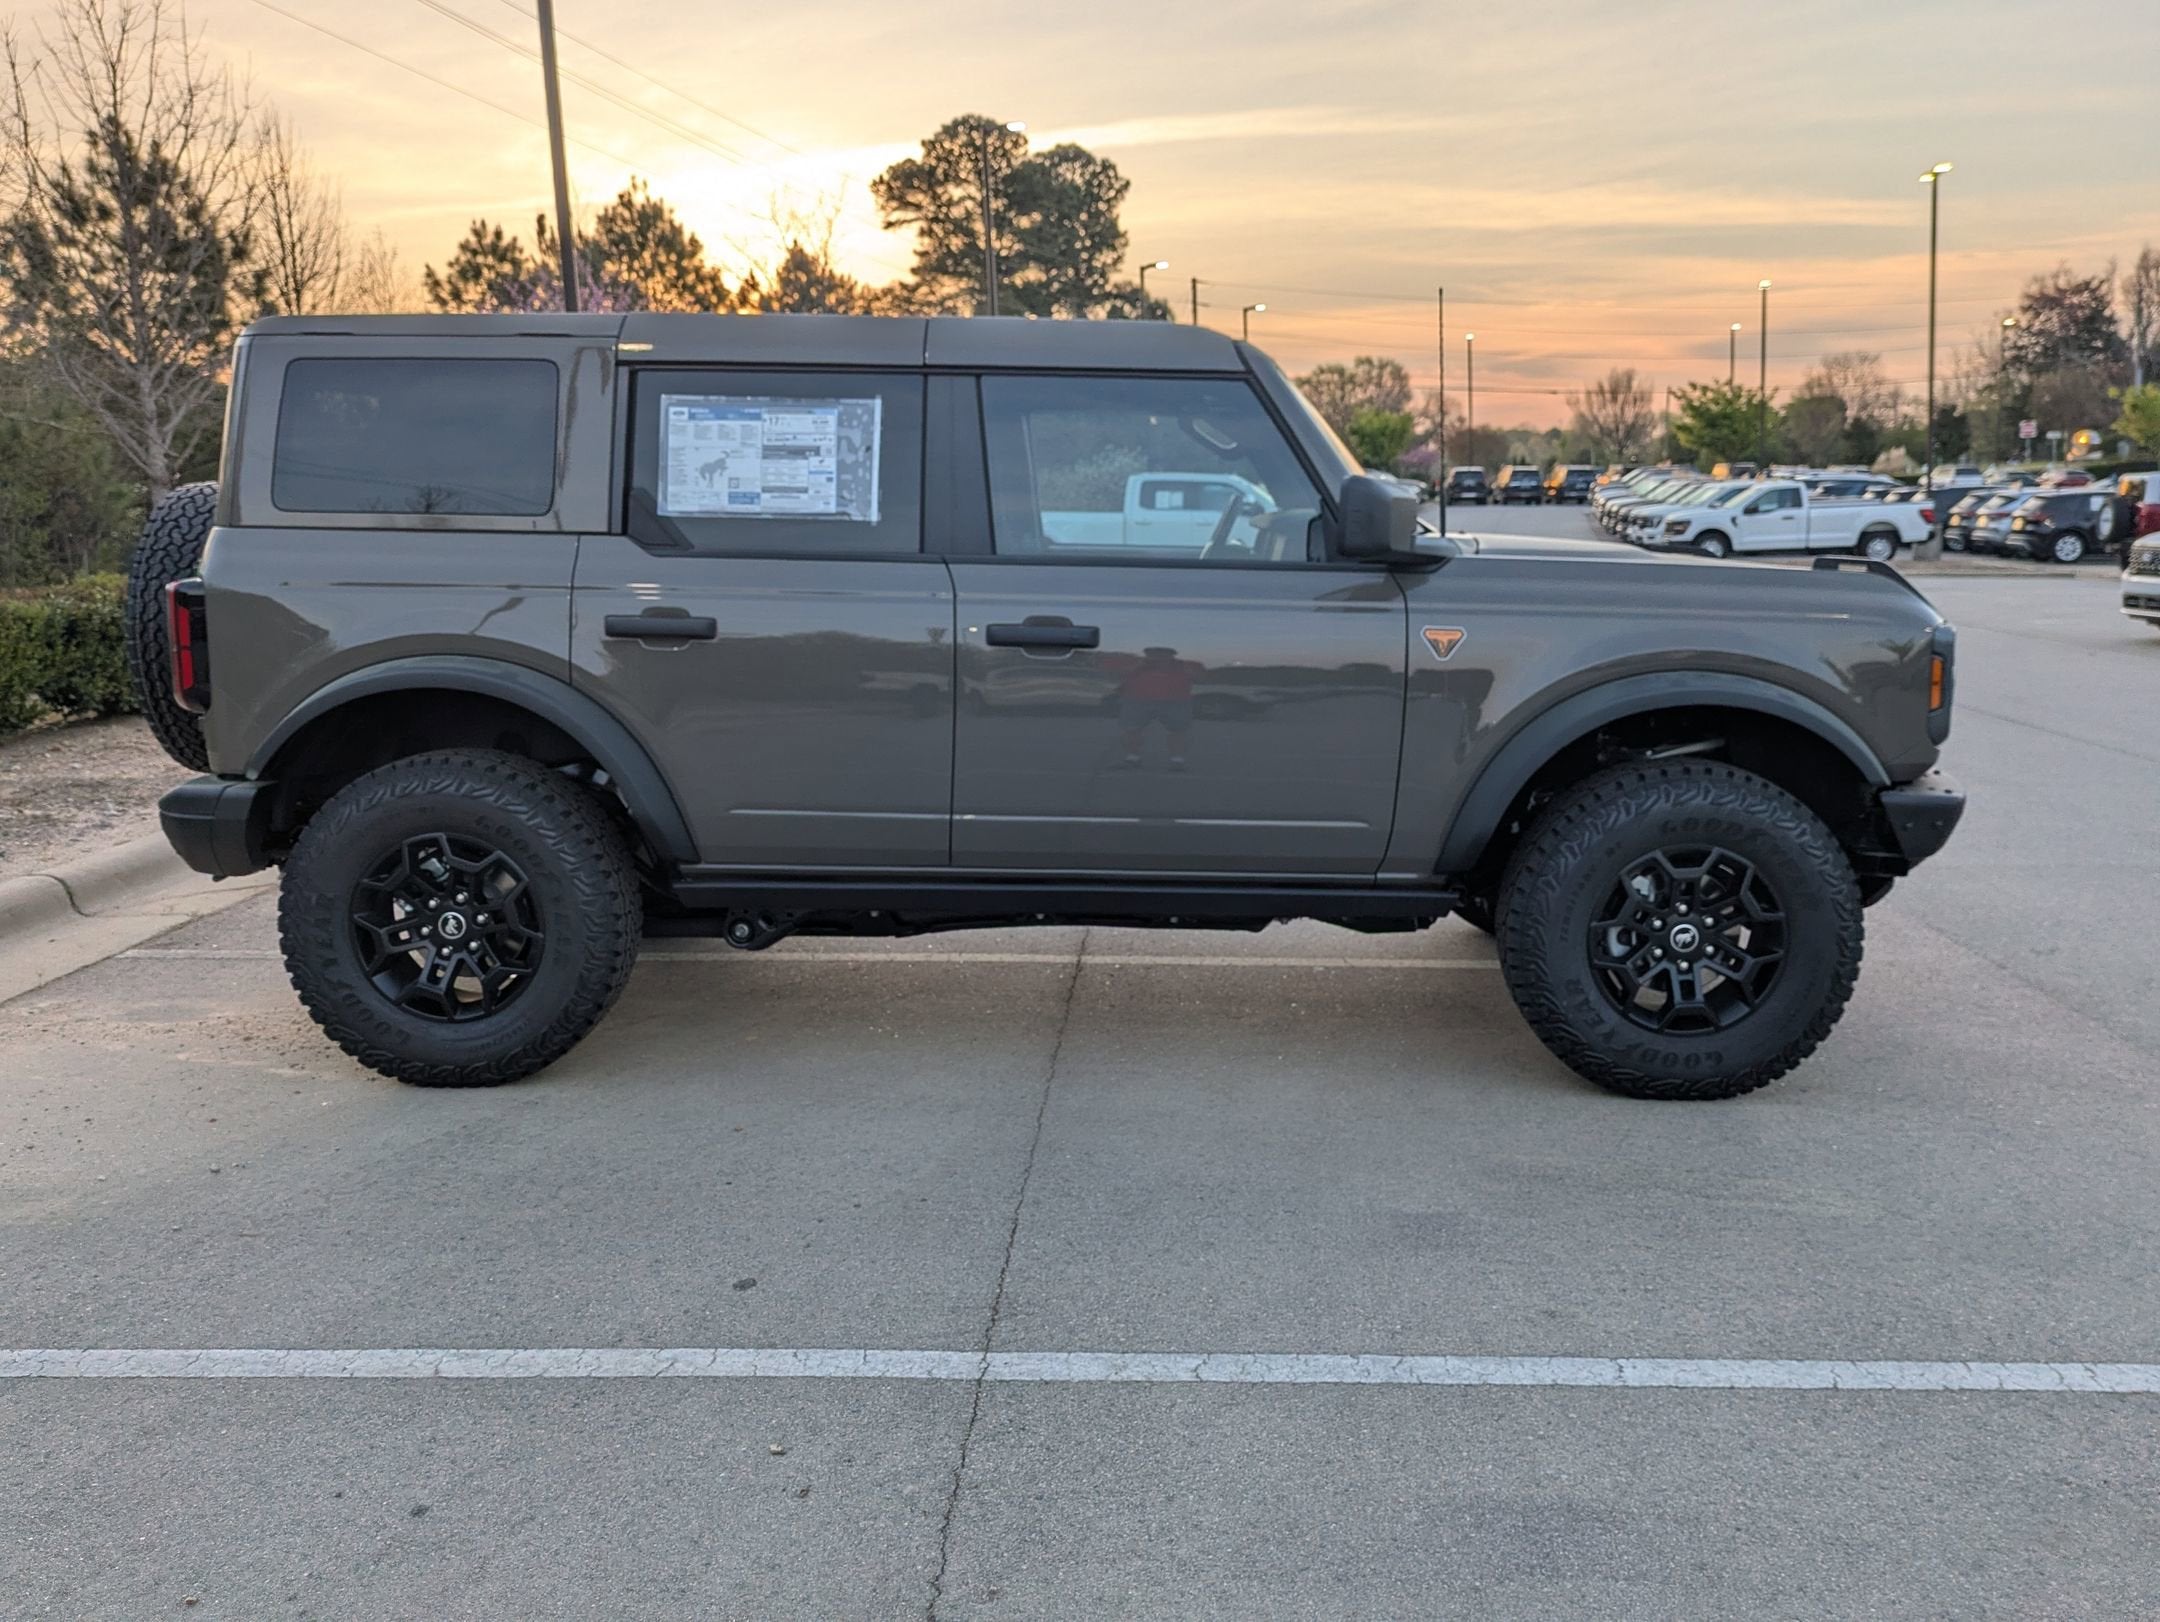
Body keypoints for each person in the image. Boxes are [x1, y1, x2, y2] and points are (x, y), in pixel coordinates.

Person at [1115, 646, 1201, 769]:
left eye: (1162, 654)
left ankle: (1177, 761)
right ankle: (1132, 758)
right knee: (1131, 729)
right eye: (1153, 654)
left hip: (1176, 701)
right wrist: (1140, 666)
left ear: (1172, 655)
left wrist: (1182, 669)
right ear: (1147, 655)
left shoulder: (1183, 665)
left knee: (1178, 730)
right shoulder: (1137, 665)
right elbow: (1119, 674)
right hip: (1137, 700)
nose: (1158, 657)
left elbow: (1199, 678)